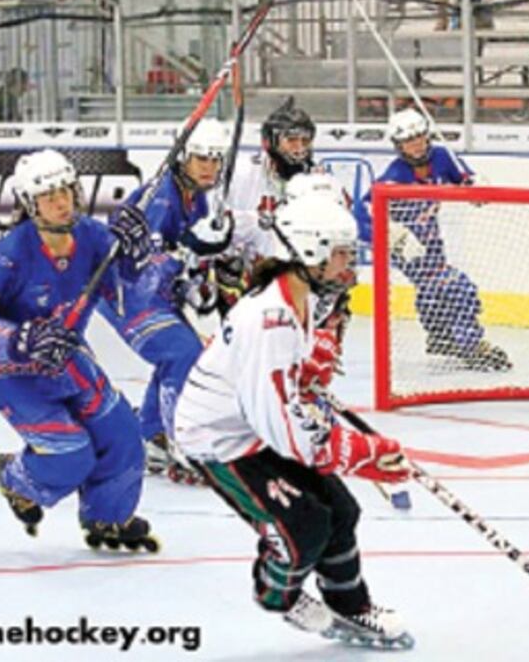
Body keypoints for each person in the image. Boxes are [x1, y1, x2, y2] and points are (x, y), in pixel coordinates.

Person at [173, 193, 415, 650]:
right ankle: (275, 593)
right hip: (220, 441)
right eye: (341, 253)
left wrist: (305, 372)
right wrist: (359, 452)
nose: (349, 263)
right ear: (309, 253)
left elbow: (282, 398)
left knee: (342, 511)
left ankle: (352, 606)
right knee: (302, 529)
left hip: (250, 428)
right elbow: (282, 428)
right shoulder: (271, 320)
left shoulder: (298, 298)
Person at [0, 148, 159, 552]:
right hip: (13, 375)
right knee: (71, 455)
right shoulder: (7, 257)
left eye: (66, 190)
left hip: (66, 359)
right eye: (49, 197)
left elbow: (127, 290)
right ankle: (15, 476)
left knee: (124, 434)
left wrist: (138, 255)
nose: (62, 202)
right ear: (30, 204)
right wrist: (21, 339)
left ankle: (108, 518)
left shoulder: (93, 237)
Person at [97, 118, 234, 485]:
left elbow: (186, 266)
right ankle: (181, 441)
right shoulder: (160, 197)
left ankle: (152, 434)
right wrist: (186, 252)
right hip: (127, 293)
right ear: (183, 159)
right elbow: (145, 266)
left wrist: (195, 287)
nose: (210, 167)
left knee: (180, 353)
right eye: (201, 159)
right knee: (182, 353)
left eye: (216, 159)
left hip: (154, 295)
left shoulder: (199, 199)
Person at [355, 108, 511, 371]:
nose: (416, 145)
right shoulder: (394, 177)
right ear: (398, 145)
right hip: (408, 248)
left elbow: (464, 180)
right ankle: (470, 344)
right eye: (408, 141)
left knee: (432, 289)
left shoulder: (442, 157)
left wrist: (476, 187)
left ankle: (440, 337)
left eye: (420, 137)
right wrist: (395, 235)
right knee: (457, 286)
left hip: (432, 241)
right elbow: (360, 216)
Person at [219, 97, 319, 316]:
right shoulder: (243, 174)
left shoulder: (319, 181)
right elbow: (221, 227)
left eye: (305, 141)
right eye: (291, 140)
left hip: (296, 279)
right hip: (249, 278)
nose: (299, 148)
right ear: (269, 142)